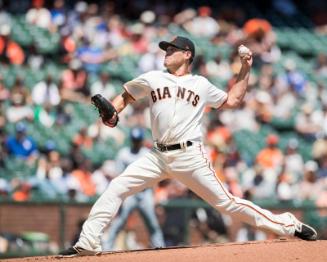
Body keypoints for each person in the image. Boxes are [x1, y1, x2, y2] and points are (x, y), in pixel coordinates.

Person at [59, 36, 317, 257]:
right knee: (117, 187)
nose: (166, 53)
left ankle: (287, 224)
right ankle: (89, 242)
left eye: (171, 50)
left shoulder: (200, 84)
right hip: (158, 154)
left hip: (190, 155)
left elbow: (233, 100)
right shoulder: (152, 77)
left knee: (226, 203)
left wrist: (245, 68)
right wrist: (114, 112)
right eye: (165, 50)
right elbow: (126, 95)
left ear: (186, 54)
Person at [103, 127, 165, 250]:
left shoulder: (147, 153)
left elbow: (154, 175)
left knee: (152, 223)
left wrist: (154, 194)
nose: (136, 142)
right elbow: (118, 176)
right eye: (134, 140)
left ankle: (160, 248)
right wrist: (120, 197)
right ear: (131, 140)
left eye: (138, 140)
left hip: (145, 192)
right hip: (130, 194)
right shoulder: (124, 153)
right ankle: (106, 248)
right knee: (119, 222)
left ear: (142, 140)